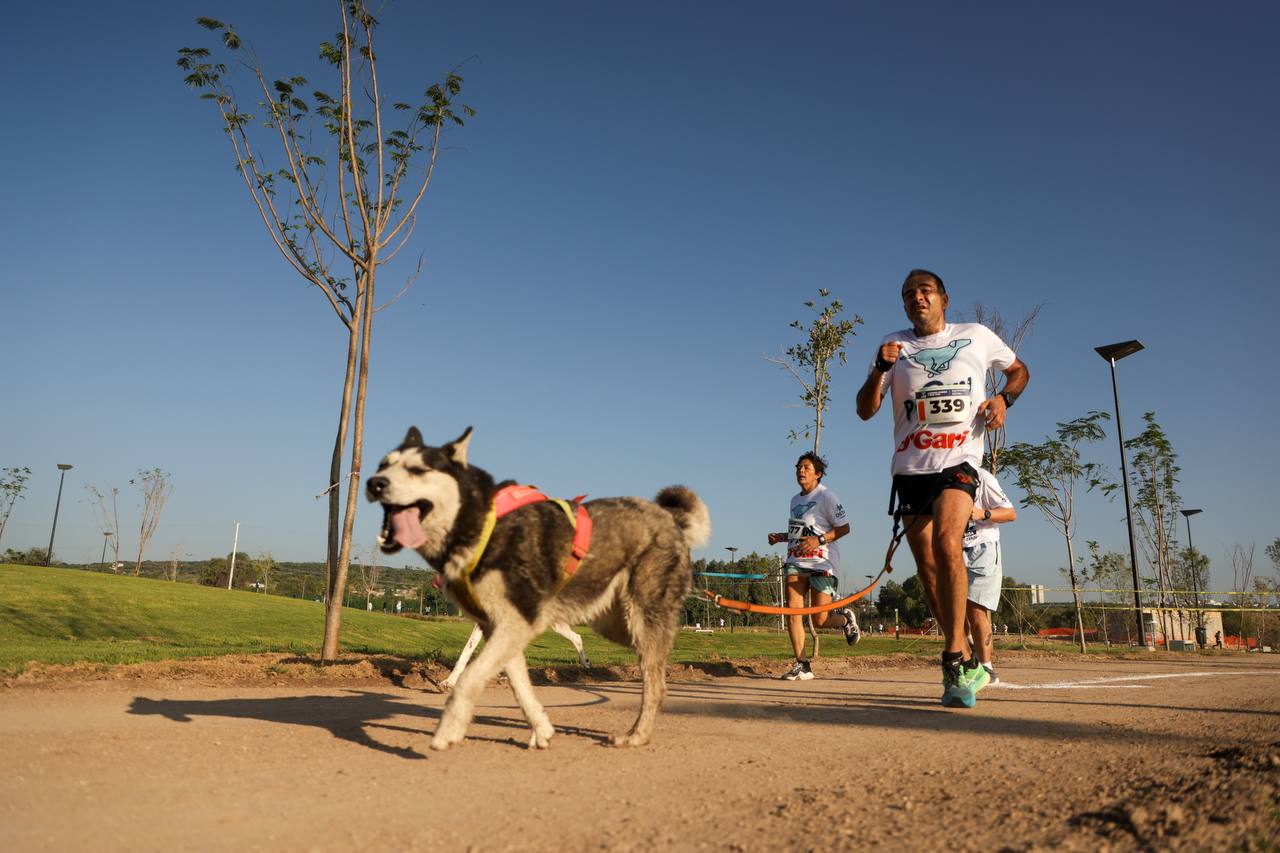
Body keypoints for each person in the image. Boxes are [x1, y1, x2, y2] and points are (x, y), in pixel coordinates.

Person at [856, 268, 1029, 708]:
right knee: (929, 571)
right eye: (909, 294)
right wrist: (879, 369)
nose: (917, 298)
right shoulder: (893, 347)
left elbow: (1019, 371)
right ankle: (967, 654)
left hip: (960, 462)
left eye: (925, 291)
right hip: (910, 469)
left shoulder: (975, 335)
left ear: (944, 299)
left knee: (949, 542)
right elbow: (864, 410)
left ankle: (952, 659)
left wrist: (1003, 399)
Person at [766, 452, 858, 681]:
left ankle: (845, 619)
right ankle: (802, 664)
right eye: (798, 467)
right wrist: (782, 537)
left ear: (817, 474)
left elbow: (845, 528)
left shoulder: (827, 496)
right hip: (796, 562)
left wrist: (819, 540)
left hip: (822, 562)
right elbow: (800, 533)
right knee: (793, 613)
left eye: (806, 467)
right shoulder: (794, 500)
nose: (801, 470)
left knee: (819, 619)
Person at [963, 466, 1016, 685]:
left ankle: (987, 668)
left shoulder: (983, 477)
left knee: (976, 610)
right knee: (954, 612)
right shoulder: (940, 476)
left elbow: (1010, 513)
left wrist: (982, 513)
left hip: (981, 547)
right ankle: (968, 661)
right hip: (953, 548)